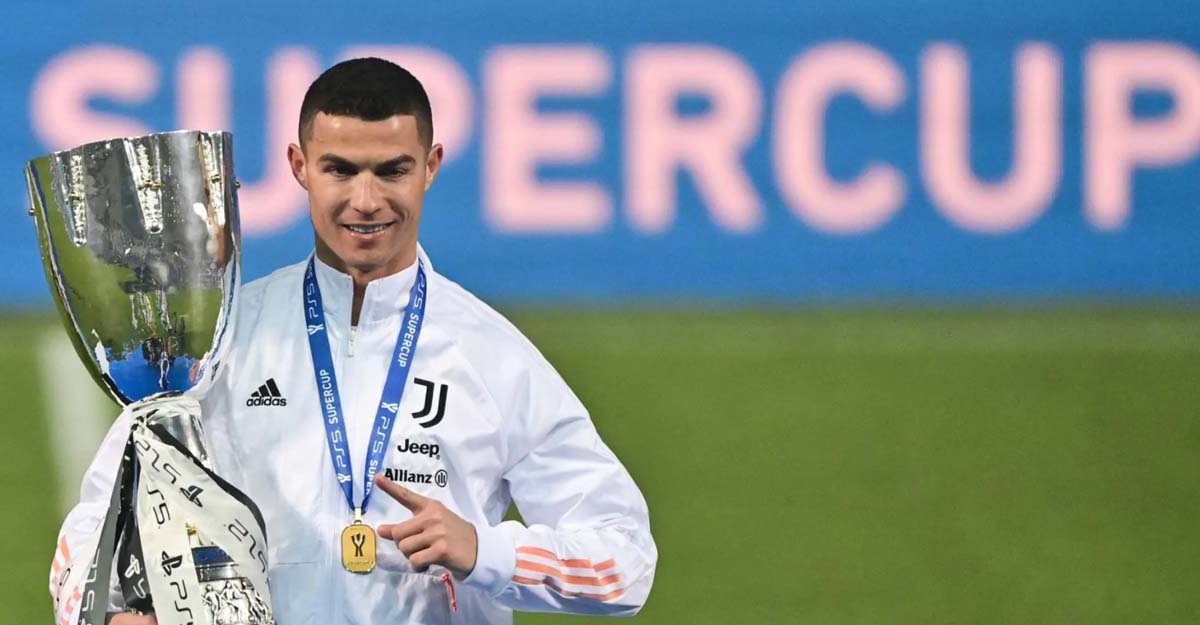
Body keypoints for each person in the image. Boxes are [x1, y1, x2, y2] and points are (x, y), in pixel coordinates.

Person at [51, 57, 657, 625]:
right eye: (340, 169)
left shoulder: (493, 356)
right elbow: (92, 530)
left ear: (431, 165)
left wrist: (486, 552)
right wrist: (111, 616)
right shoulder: (224, 340)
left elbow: (625, 561)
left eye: (392, 170)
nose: (366, 202)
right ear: (299, 165)